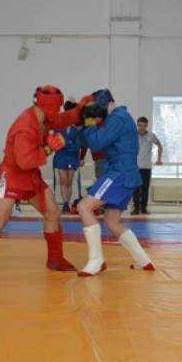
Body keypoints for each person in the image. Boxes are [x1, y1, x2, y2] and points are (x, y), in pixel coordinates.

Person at [0, 85, 93, 278]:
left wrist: (82, 107)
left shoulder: (44, 117)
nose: (58, 110)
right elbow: (24, 161)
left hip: (31, 175)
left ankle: (55, 258)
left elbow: (63, 118)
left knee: (52, 212)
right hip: (13, 176)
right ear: (48, 106)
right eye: (57, 107)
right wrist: (49, 149)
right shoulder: (25, 127)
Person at [75, 89, 155, 277]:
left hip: (120, 172)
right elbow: (87, 140)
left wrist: (88, 121)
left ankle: (96, 260)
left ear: (109, 103)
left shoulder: (117, 118)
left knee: (84, 207)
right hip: (124, 173)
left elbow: (96, 144)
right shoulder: (117, 117)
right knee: (111, 221)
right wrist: (81, 122)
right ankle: (143, 260)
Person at [53, 100, 83, 213]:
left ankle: (68, 202)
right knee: (63, 180)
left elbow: (77, 146)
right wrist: (68, 143)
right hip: (61, 157)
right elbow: (56, 143)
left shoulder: (76, 130)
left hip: (72, 157)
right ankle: (65, 203)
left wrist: (66, 143)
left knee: (69, 181)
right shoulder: (58, 128)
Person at [132, 116, 163, 215]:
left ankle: (144, 209)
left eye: (144, 126)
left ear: (146, 125)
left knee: (145, 189)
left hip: (146, 167)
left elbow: (159, 145)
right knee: (135, 188)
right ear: (137, 125)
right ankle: (136, 208)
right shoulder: (133, 135)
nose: (142, 128)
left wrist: (159, 159)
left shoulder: (151, 136)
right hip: (135, 167)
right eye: (140, 125)